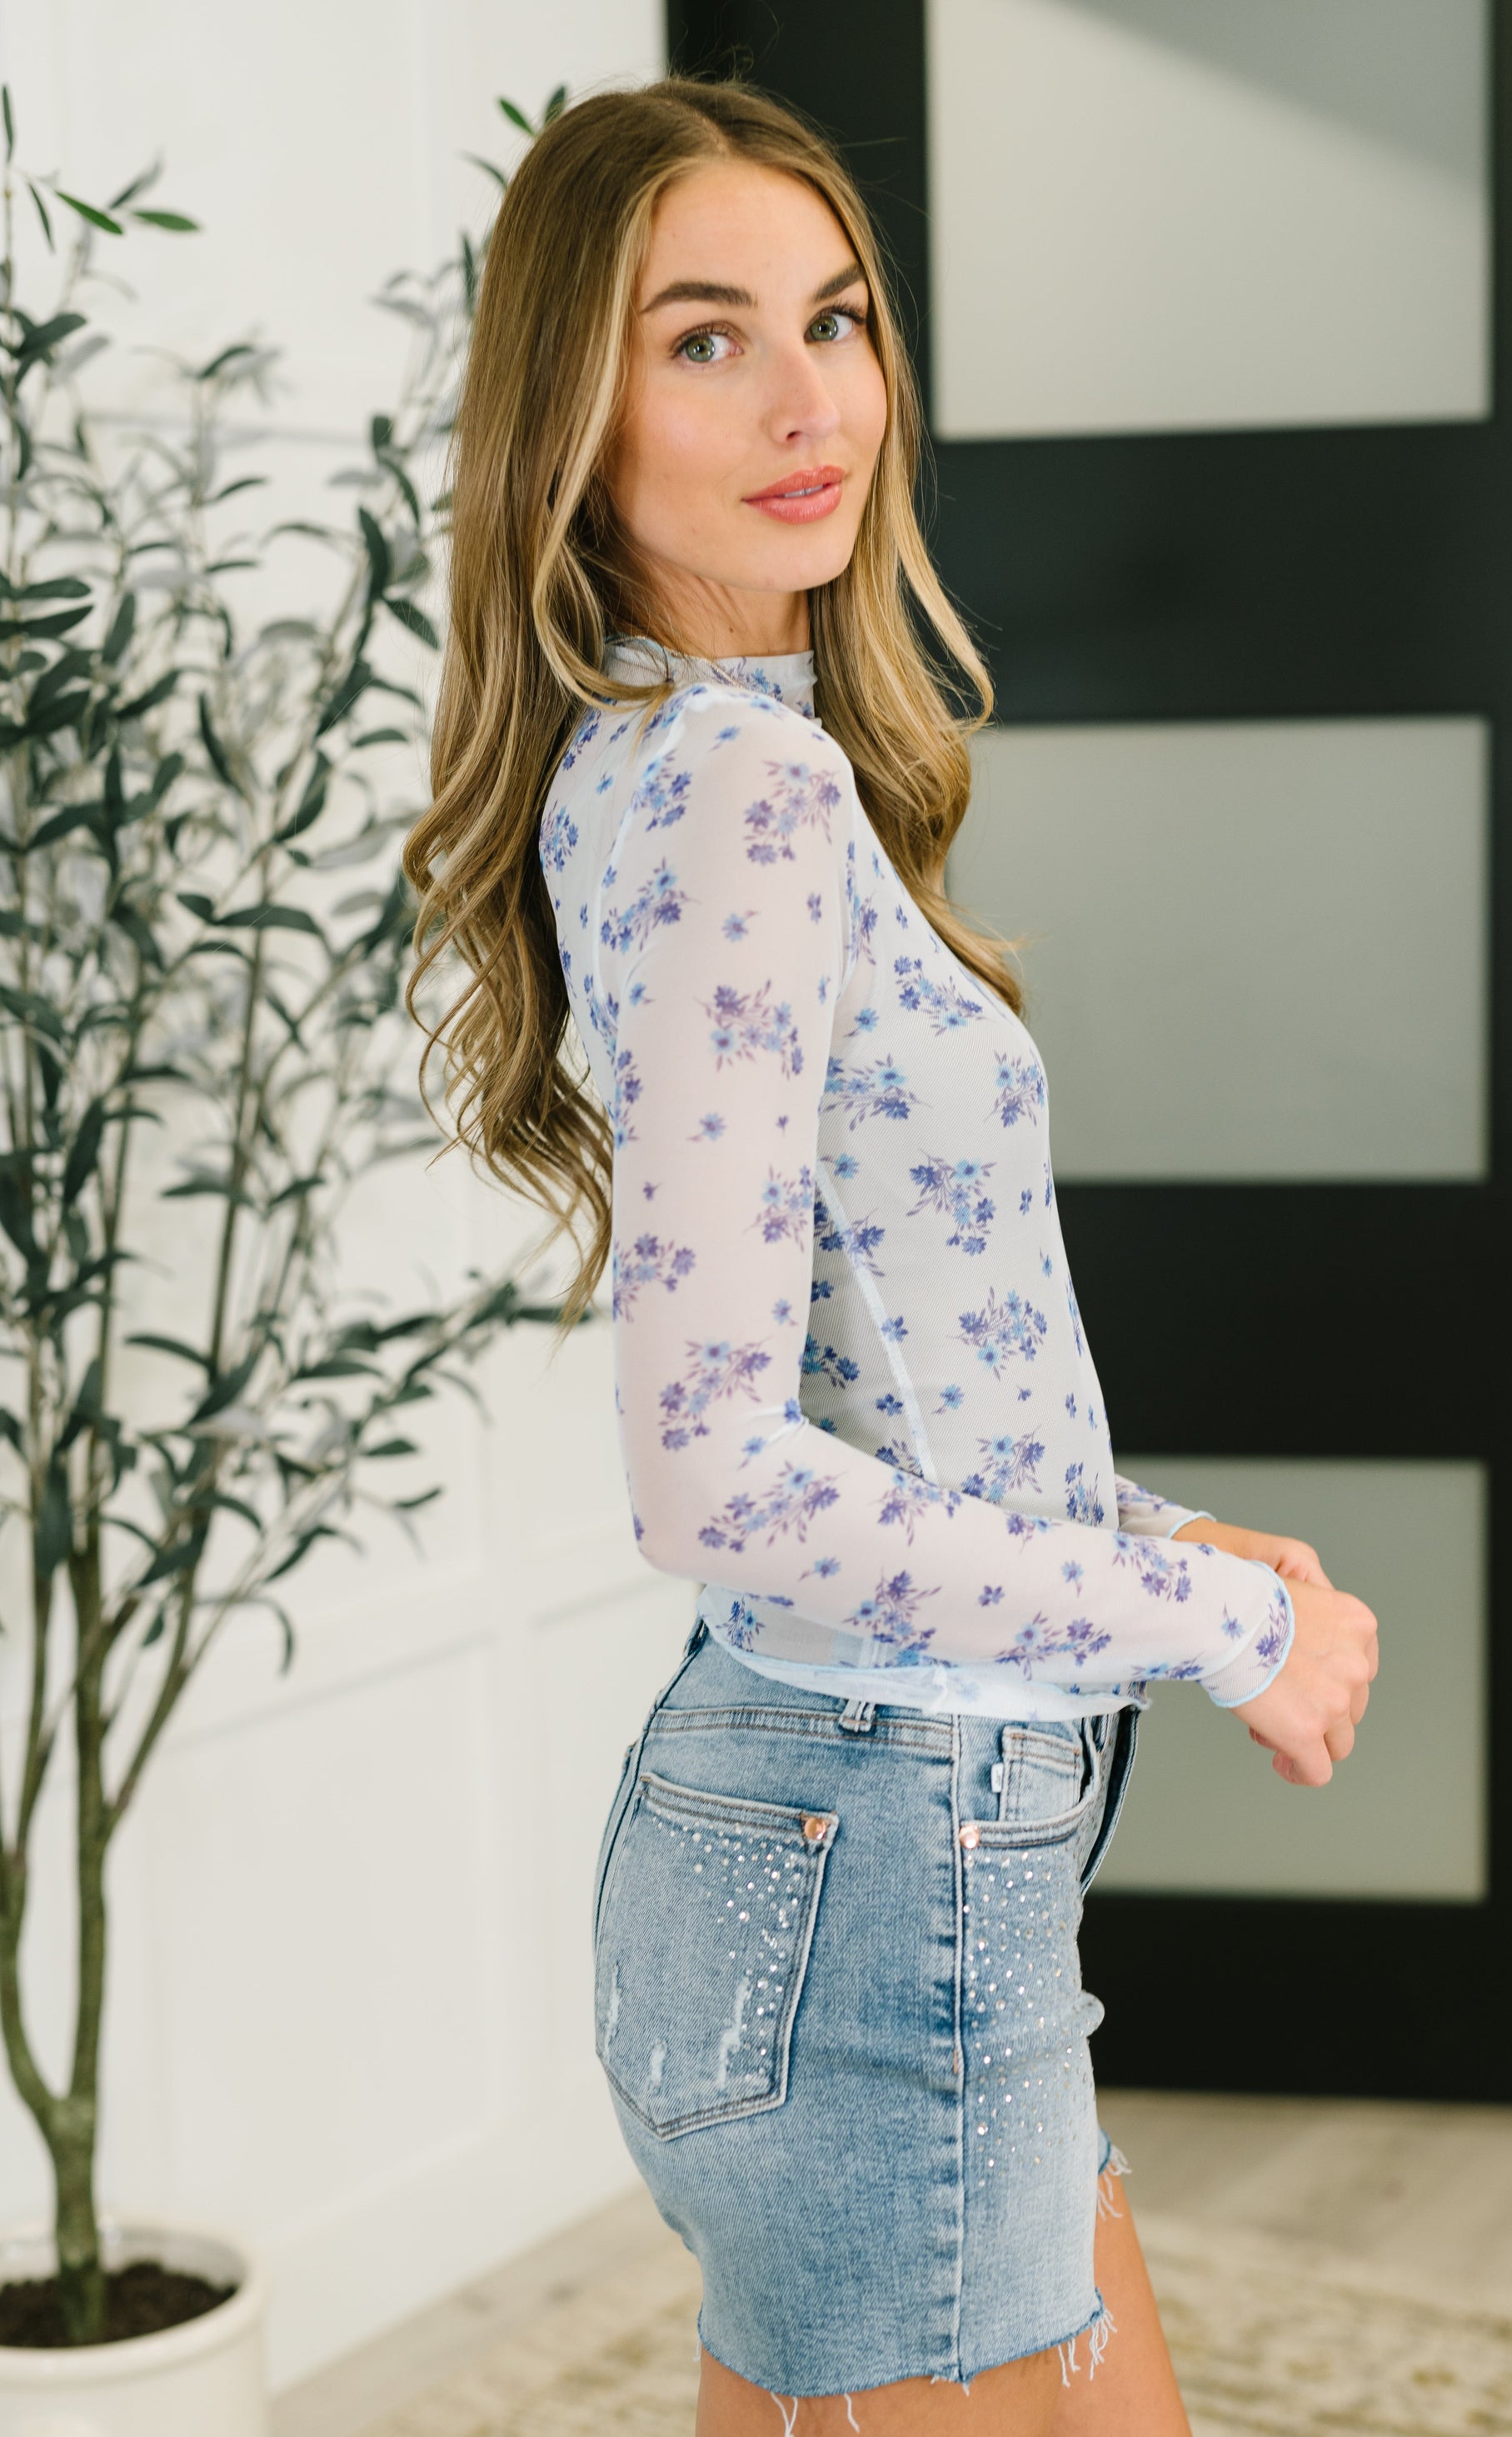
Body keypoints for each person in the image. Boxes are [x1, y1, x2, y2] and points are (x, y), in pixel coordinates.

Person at [404, 72, 1379, 2437]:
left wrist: (1157, 1538)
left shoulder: (678, 760)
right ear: (571, 421)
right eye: (704, 339)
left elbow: (900, 1369)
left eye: (833, 320)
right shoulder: (740, 789)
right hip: (877, 1865)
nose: (808, 399)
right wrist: (1226, 1630)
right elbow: (718, 1477)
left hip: (865, 1848)